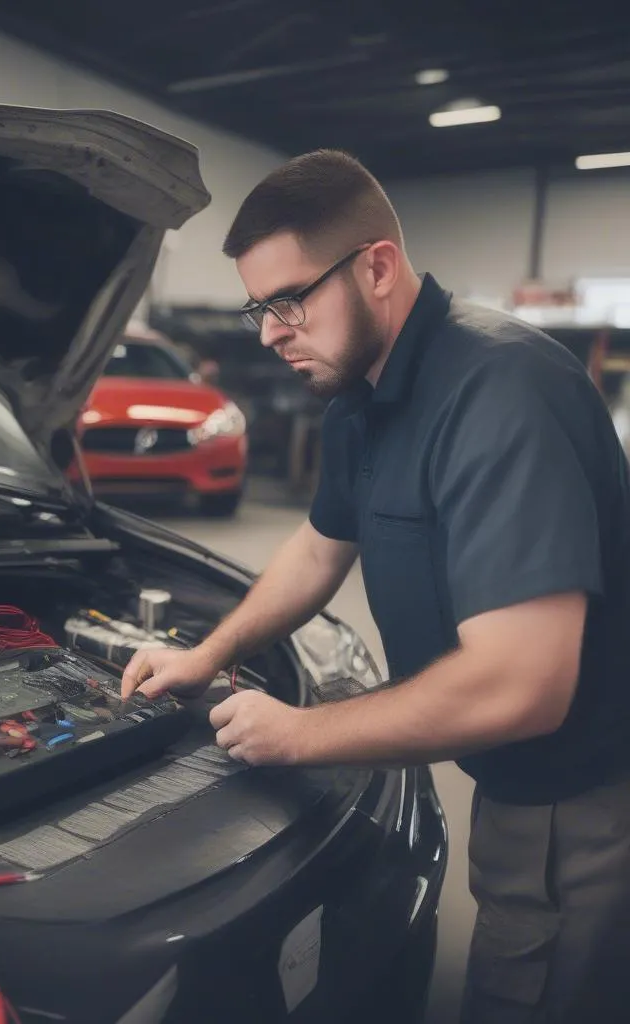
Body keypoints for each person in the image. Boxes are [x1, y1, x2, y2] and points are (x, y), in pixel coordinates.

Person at [120, 150, 630, 1024]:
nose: (270, 333)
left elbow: (524, 686)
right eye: (258, 310)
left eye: (288, 302)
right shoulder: (364, 396)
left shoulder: (497, 393)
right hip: (515, 787)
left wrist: (299, 735)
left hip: (576, 807)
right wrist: (207, 653)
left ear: (378, 268)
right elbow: (320, 549)